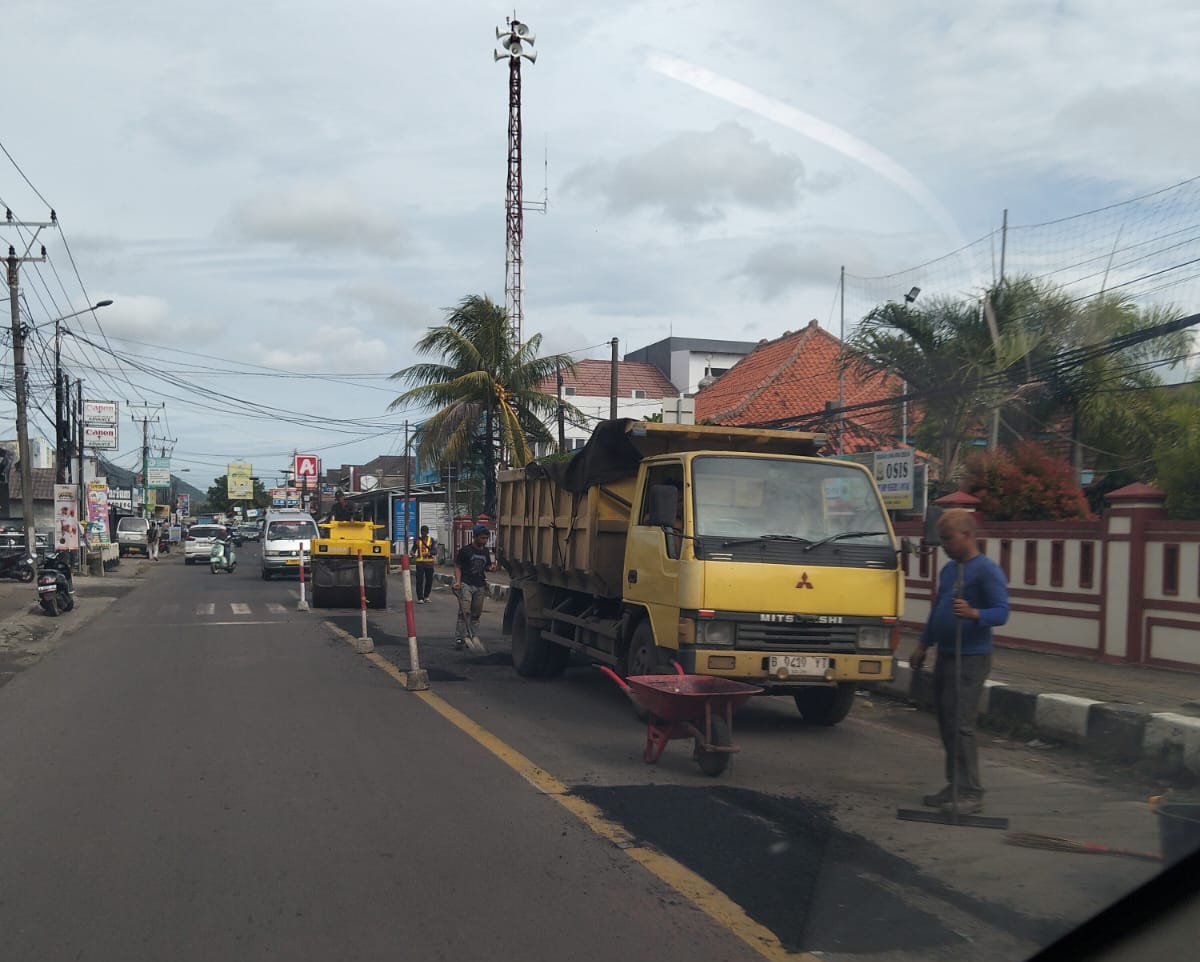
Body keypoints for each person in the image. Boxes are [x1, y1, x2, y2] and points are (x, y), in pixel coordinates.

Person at [909, 508, 1009, 816]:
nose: (945, 545)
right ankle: (954, 785)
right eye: (942, 540)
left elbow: (1002, 612)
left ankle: (972, 792)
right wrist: (924, 644)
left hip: (972, 657)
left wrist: (974, 613)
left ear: (967, 535)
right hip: (947, 654)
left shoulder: (985, 570)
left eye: (949, 539)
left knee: (962, 725)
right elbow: (938, 607)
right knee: (946, 722)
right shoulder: (950, 570)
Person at [453, 524, 494, 649]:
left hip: (480, 585)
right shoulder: (465, 551)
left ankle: (473, 635)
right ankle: (460, 638)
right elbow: (458, 567)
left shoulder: (486, 551)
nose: (484, 541)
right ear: (475, 537)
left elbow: (487, 566)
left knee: (476, 613)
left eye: (486, 538)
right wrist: (458, 582)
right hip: (466, 584)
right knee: (464, 612)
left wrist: (491, 568)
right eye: (482, 538)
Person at [410, 525, 437, 604]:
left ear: (427, 532)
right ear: (421, 532)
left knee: (429, 580)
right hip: (420, 563)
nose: (423, 533)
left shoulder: (431, 540)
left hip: (429, 563)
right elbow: (413, 550)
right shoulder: (417, 540)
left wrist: (428, 553)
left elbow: (435, 551)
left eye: (425, 531)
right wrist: (412, 554)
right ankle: (420, 598)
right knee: (419, 581)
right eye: (422, 531)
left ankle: (426, 596)